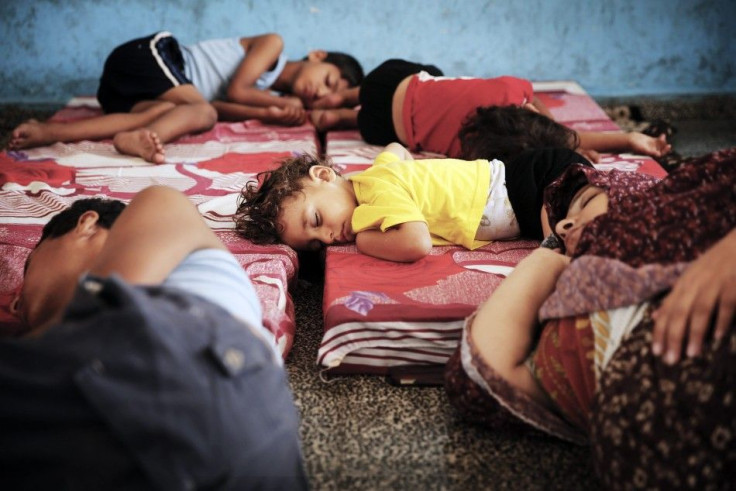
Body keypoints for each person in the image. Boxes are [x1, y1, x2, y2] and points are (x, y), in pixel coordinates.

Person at [444, 148, 736, 488]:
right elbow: (476, 380)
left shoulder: (707, 231)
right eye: (560, 225)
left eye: (584, 201)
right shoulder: (567, 317)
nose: (565, 223)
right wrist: (548, 260)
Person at [0, 186, 307, 489]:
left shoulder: (161, 204)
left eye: (29, 268)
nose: (15, 303)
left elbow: (105, 318)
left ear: (86, 224)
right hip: (262, 443)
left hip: (203, 374)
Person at [9, 31, 363, 163]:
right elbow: (238, 90)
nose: (320, 92)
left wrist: (271, 112)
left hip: (137, 91)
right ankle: (144, 138)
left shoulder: (267, 92)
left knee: (157, 117)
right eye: (329, 80)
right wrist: (272, 106)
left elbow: (218, 108)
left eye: (329, 96)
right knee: (201, 110)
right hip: (150, 56)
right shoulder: (273, 45)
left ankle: (47, 133)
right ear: (317, 55)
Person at [234, 143, 590, 262]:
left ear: (325, 175)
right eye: (314, 243)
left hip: (529, 181)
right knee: (562, 235)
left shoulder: (373, 195)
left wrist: (363, 239)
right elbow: (394, 149)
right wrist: (416, 173)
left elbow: (416, 243)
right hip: (524, 194)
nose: (327, 237)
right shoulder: (375, 175)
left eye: (316, 219)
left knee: (559, 246)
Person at [357, 58, 671, 161]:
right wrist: (626, 140)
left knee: (434, 74)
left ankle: (341, 103)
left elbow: (564, 134)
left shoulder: (511, 89)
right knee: (354, 115)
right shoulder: (478, 153)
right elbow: (567, 136)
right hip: (382, 127)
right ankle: (341, 114)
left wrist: (566, 141)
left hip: (392, 80)